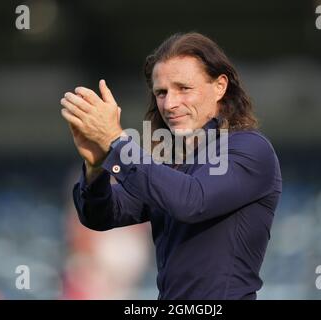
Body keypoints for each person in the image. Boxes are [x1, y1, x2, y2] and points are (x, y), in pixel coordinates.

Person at [60, 32, 282, 300]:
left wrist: (117, 142)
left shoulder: (249, 148)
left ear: (220, 86)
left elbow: (191, 200)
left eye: (183, 88)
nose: (170, 103)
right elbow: (102, 215)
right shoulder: (174, 163)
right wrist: (96, 166)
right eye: (161, 93)